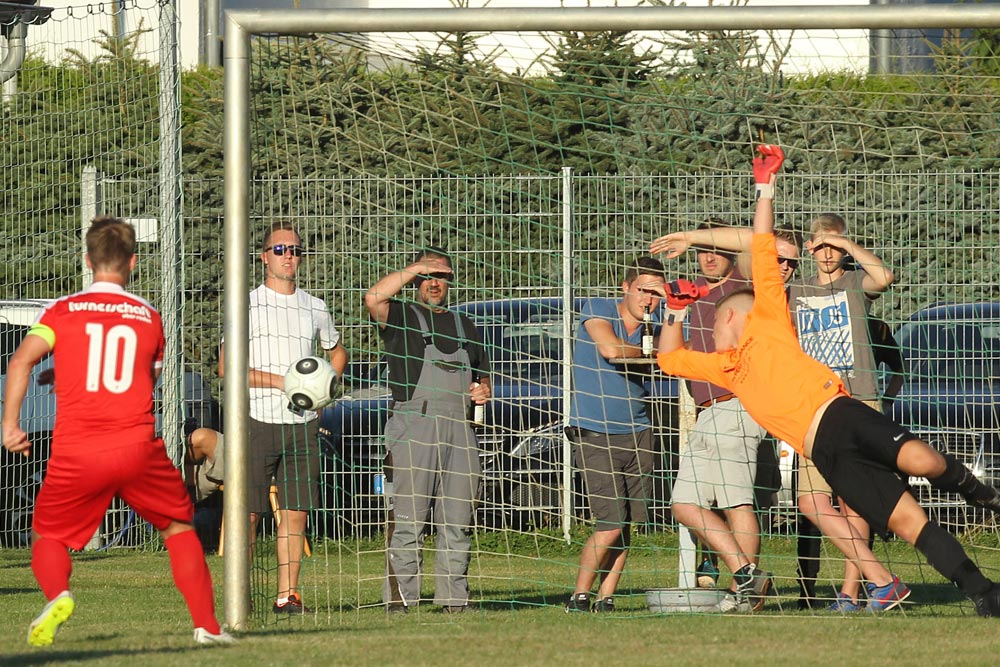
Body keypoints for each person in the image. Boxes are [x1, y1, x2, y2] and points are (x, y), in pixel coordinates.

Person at [652, 144, 1000, 618]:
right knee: (904, 520)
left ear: (735, 319)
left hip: (845, 411)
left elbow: (760, 241)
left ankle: (974, 489)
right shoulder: (725, 367)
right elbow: (669, 359)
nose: (710, 330)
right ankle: (982, 592)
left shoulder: (769, 319)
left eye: (715, 322)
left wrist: (764, 188)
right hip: (824, 450)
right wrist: (674, 308)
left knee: (924, 459)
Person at [1, 216, 233, 647]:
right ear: (134, 262)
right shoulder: (148, 316)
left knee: (48, 535)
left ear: (87, 260)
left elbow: (19, 362)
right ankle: (207, 628)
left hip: (78, 449)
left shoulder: (63, 310)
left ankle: (59, 595)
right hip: (135, 446)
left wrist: (11, 425)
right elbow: (142, 376)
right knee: (179, 529)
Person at [663, 221, 800, 612]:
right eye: (700, 252)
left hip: (739, 405)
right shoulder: (698, 293)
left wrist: (690, 236)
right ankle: (747, 576)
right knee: (684, 503)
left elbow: (758, 241)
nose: (707, 257)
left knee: (737, 503)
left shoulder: (747, 285)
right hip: (707, 412)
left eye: (714, 248)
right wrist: (673, 307)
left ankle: (748, 593)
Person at [218, 221, 347, 614]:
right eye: (280, 249)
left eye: (294, 249)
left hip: (302, 424)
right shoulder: (246, 303)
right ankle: (238, 596)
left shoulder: (315, 306)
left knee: (295, 513)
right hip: (255, 421)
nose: (288, 255)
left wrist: (325, 387)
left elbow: (337, 351)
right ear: (263, 257)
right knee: (249, 513)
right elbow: (227, 367)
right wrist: (284, 382)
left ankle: (287, 596)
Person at [364, 247, 491, 613]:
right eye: (428, 276)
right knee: (409, 519)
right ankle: (400, 601)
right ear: (416, 279)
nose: (435, 283)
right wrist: (416, 267)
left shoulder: (466, 325)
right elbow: (373, 297)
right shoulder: (402, 315)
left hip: (460, 428)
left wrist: (483, 391)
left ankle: (455, 600)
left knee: (458, 520)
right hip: (414, 425)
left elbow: (483, 378)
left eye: (443, 276)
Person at [786, 213, 898, 611]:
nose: (828, 252)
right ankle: (878, 580)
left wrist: (849, 246)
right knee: (811, 500)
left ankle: (851, 592)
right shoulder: (795, 290)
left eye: (836, 245)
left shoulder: (854, 284)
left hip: (857, 400)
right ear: (811, 246)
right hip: (812, 406)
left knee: (853, 501)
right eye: (822, 244)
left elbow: (883, 276)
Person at [563, 257, 666, 613]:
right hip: (595, 431)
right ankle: (579, 594)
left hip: (638, 430)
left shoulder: (657, 323)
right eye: (642, 290)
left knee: (628, 526)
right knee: (609, 521)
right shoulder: (599, 307)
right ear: (626, 287)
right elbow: (610, 350)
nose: (648, 299)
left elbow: (676, 354)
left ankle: (606, 597)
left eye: (656, 292)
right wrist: (650, 355)